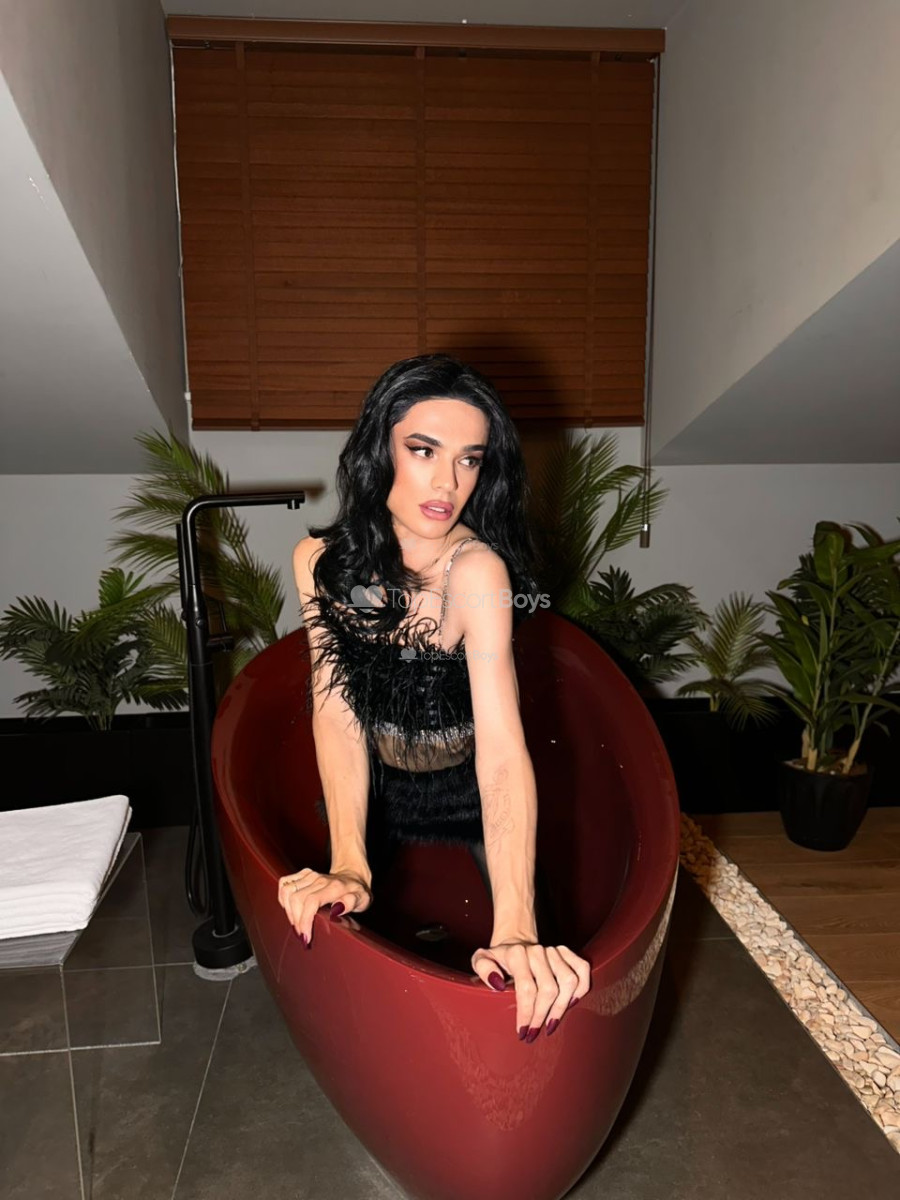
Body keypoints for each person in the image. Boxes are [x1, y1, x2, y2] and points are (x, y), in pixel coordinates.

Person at [278, 353, 591, 1041]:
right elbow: (336, 712)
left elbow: (501, 750)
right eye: (424, 450)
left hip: (470, 787)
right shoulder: (317, 563)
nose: (449, 483)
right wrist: (348, 861)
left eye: (469, 460)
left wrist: (516, 928)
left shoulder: (476, 571)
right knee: (351, 950)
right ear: (378, 450)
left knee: (534, 954)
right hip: (379, 785)